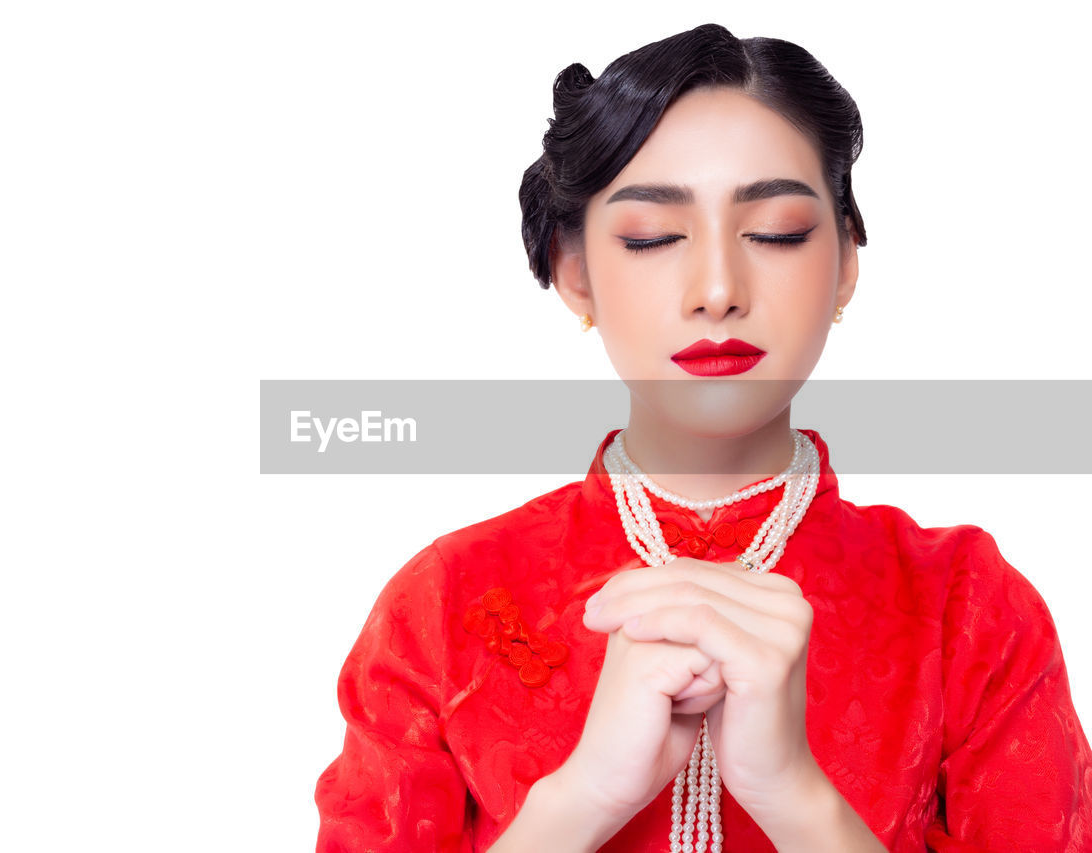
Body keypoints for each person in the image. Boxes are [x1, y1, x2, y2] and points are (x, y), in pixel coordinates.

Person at [313, 23, 1092, 852]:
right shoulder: (443, 605)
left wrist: (794, 794)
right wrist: (580, 798)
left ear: (845, 265)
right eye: (652, 237)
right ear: (574, 271)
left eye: (778, 232)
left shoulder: (966, 606)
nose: (718, 289)